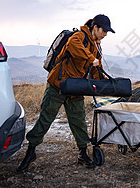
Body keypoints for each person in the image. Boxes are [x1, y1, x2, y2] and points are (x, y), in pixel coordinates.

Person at [18, 14, 115, 171]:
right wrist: (91, 59)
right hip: (58, 85)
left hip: (76, 88)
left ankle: (82, 154)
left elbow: (96, 69)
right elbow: (73, 47)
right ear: (95, 27)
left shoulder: (96, 46)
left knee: (79, 121)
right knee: (45, 119)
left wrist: (105, 82)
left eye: (107, 32)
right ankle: (31, 152)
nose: (105, 34)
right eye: (104, 31)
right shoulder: (79, 36)